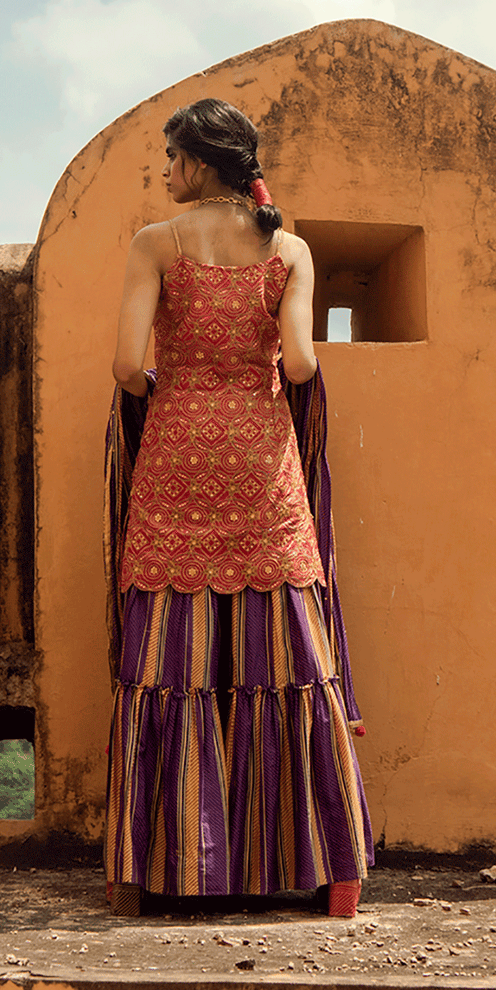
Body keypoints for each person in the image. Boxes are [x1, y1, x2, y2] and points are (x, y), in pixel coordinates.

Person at [103, 97, 372, 918]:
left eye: (173, 158)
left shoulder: (156, 243)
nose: (165, 172)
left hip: (177, 460)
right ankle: (334, 870)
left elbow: (123, 366)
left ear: (203, 163)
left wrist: (167, 389)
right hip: (261, 465)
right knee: (290, 649)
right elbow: (297, 365)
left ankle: (145, 869)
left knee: (165, 659)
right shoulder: (287, 249)